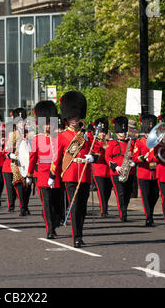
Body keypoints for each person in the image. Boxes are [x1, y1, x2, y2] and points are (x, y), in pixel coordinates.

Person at [49, 91, 97, 248]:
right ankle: (76, 237)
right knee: (75, 206)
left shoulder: (87, 135)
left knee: (82, 207)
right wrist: (52, 175)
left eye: (76, 117)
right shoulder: (62, 136)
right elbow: (56, 158)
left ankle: (80, 234)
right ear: (66, 118)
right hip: (69, 174)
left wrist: (93, 158)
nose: (74, 120)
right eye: (71, 117)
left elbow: (95, 151)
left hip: (84, 173)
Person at [27, 100, 61, 239]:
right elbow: (32, 158)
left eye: (49, 123)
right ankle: (50, 229)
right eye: (45, 123)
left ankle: (55, 221)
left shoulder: (59, 137)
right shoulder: (37, 139)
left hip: (57, 174)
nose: (48, 126)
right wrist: (29, 174)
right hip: (43, 174)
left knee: (56, 203)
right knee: (46, 203)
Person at [105, 116, 136, 222]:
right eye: (121, 132)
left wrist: (133, 155)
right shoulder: (112, 143)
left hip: (129, 171)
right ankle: (123, 213)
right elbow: (107, 157)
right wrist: (116, 167)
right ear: (117, 133)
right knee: (120, 193)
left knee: (128, 193)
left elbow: (135, 156)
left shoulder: (131, 143)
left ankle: (124, 208)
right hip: (117, 172)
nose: (123, 134)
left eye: (124, 132)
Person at [3, 108, 32, 216]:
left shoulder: (30, 134)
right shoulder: (13, 134)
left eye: (23, 121)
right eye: (19, 122)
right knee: (19, 185)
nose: (22, 123)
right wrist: (12, 155)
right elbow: (7, 149)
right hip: (17, 163)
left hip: (28, 162)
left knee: (28, 187)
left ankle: (25, 205)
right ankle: (22, 207)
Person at [133, 114, 159, 227]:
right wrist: (143, 158)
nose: (149, 134)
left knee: (155, 195)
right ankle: (149, 217)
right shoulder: (139, 142)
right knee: (146, 196)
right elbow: (135, 157)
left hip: (156, 172)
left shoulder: (158, 142)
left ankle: (151, 213)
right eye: (148, 132)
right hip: (144, 173)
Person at [92, 117, 112, 218]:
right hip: (98, 170)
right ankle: (103, 210)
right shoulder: (94, 142)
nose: (102, 134)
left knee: (108, 191)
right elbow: (96, 155)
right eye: (100, 131)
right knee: (101, 190)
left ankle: (105, 207)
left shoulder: (109, 142)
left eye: (104, 131)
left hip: (108, 170)